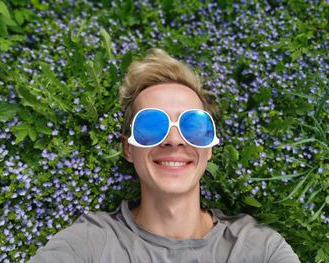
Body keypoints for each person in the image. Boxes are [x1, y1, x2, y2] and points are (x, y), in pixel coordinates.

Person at [29, 49, 300, 262]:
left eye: (192, 126)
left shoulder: (260, 249)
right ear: (128, 148)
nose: (173, 140)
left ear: (209, 147)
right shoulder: (88, 244)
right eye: (151, 125)